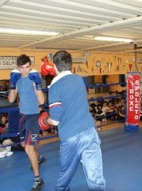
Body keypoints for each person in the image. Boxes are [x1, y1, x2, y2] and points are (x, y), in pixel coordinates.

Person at [42, 50, 105, 191]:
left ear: (54, 66)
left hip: (71, 136)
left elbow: (56, 121)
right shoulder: (79, 79)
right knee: (95, 173)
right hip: (89, 131)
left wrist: (45, 120)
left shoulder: (55, 87)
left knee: (66, 172)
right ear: (71, 64)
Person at [8, 54, 45, 191]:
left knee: (28, 148)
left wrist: (38, 84)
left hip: (33, 117)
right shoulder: (17, 80)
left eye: (27, 67)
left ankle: (38, 179)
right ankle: (39, 157)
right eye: (22, 68)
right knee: (25, 144)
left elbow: (41, 101)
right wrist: (12, 85)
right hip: (22, 116)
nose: (25, 71)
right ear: (18, 67)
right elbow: (11, 99)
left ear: (30, 66)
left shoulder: (33, 79)